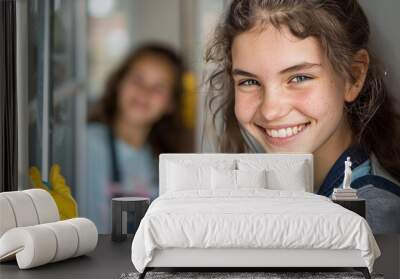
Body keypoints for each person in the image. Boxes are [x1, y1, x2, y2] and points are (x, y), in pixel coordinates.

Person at [204, 0, 400, 233]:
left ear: (353, 76)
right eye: (249, 82)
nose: (270, 110)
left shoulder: (371, 218)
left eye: (299, 78)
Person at [86, 43, 187, 233]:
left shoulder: (162, 164)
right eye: (137, 80)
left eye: (159, 87)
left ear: (170, 104)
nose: (145, 91)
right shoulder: (87, 145)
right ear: (118, 83)